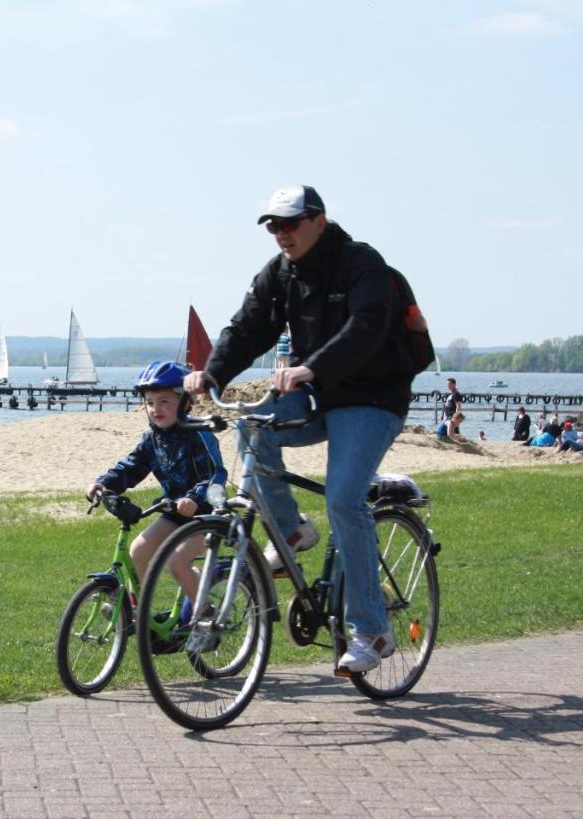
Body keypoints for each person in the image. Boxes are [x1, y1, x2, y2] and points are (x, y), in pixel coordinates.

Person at [184, 184, 419, 673]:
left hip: (373, 398)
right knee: (254, 430)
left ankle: (372, 631)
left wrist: (311, 366)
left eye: (289, 224)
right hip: (319, 394)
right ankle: (291, 531)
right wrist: (212, 373)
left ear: (319, 220)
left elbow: (366, 328)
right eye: (273, 227)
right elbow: (247, 326)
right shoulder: (281, 273)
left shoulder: (361, 264)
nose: (280, 235)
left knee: (343, 499)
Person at [86, 361, 227, 606]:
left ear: (184, 403)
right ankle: (139, 612)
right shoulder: (152, 438)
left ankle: (206, 616)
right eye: (150, 402)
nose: (155, 409)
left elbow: (216, 474)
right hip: (174, 511)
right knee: (139, 550)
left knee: (177, 562)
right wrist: (104, 483)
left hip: (208, 514)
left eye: (164, 402)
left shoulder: (199, 433)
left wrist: (195, 498)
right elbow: (131, 466)